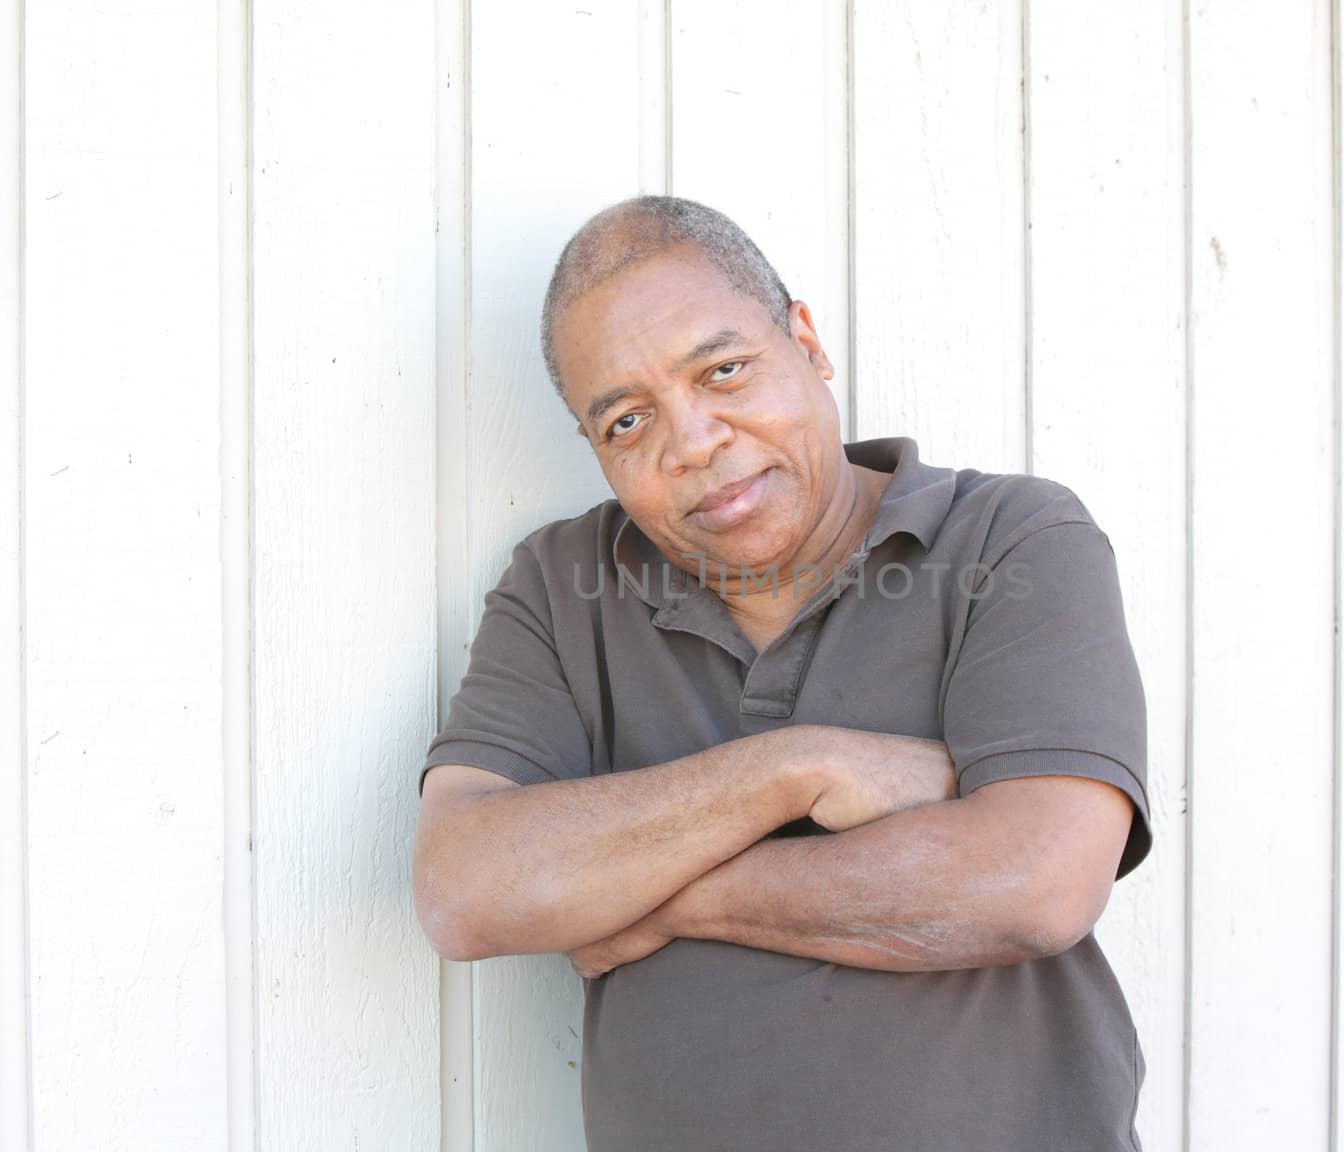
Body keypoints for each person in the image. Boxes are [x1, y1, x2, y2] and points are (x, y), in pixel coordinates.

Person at [412, 195, 1153, 1151]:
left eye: (723, 371)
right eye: (629, 421)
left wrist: (652, 894)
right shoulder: (563, 586)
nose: (693, 442)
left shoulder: (1013, 540)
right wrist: (794, 769)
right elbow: (463, 890)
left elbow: (1037, 881)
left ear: (806, 340)